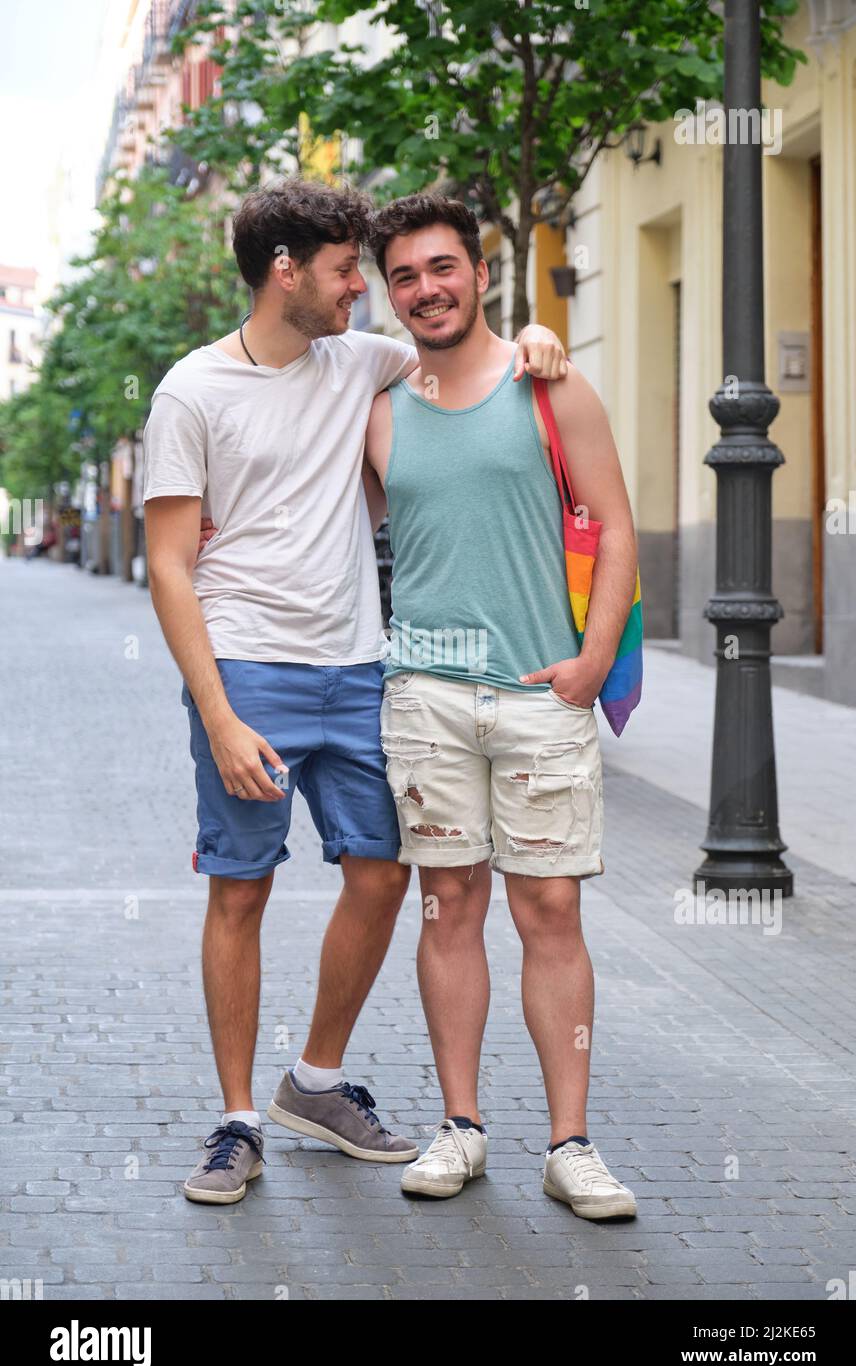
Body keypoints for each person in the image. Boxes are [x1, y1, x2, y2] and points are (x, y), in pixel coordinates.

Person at [143, 177, 567, 1203]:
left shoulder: (361, 360)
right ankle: (237, 1119)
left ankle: (316, 1081)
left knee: (382, 875)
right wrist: (217, 711)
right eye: (344, 272)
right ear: (284, 269)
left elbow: (461, 346)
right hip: (246, 668)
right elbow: (166, 563)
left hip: (359, 665)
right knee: (239, 891)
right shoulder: (190, 391)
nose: (360, 292)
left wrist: (538, 337)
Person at [362, 193, 639, 1220]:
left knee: (551, 909)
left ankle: (570, 1143)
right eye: (402, 275)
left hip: (538, 693)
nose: (425, 289)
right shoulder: (379, 407)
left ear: (478, 273)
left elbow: (613, 525)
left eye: (441, 268)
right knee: (448, 906)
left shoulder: (545, 385)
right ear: (387, 293)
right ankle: (459, 1126)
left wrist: (590, 660)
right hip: (425, 701)